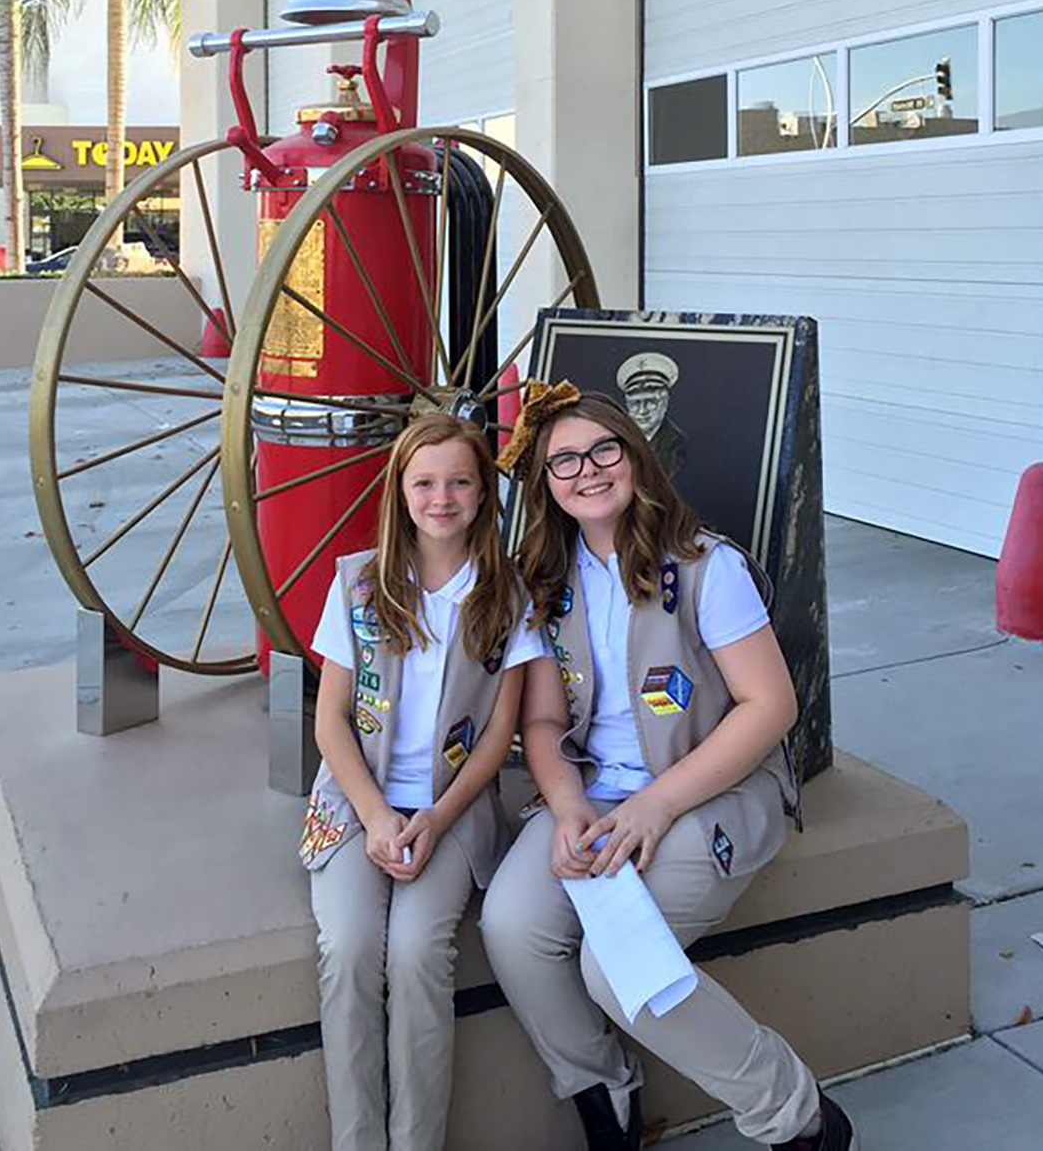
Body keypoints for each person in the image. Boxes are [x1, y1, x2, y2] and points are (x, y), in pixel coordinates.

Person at [482, 384, 853, 1151]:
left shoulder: (705, 566)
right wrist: (567, 803)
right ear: (545, 484)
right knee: (511, 924)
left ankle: (799, 1115)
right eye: (563, 462)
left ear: (635, 454)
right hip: (593, 790)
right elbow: (546, 722)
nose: (587, 471)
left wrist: (656, 807)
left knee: (616, 970)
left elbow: (768, 705)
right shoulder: (546, 581)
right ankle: (607, 1101)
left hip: (708, 785)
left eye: (603, 450)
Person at [303, 414, 545, 1151]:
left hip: (451, 807)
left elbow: (498, 738)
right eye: (425, 482)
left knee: (417, 952)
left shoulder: (508, 599)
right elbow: (330, 720)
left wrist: (434, 820)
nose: (442, 497)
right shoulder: (357, 582)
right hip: (357, 800)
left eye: (460, 481)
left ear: (482, 494)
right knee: (346, 948)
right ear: (401, 492)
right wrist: (375, 815)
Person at [614, 351, 688, 479]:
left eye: (650, 402)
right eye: (635, 403)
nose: (642, 411)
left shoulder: (675, 443)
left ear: (664, 402)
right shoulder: (619, 438)